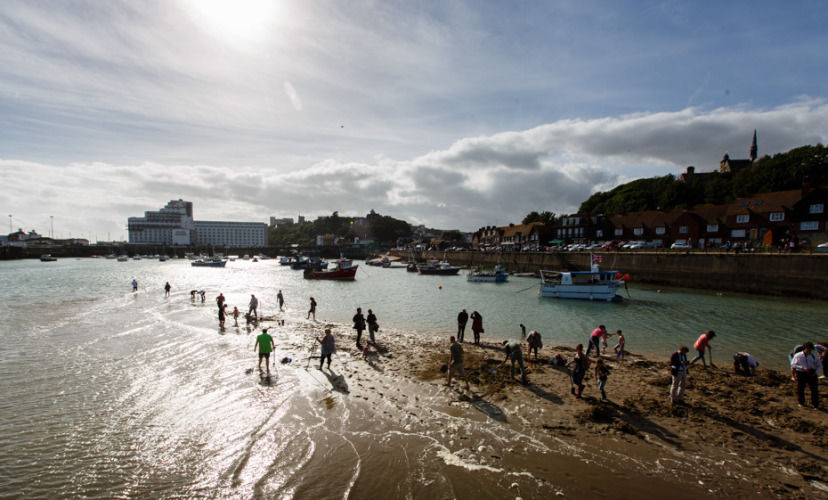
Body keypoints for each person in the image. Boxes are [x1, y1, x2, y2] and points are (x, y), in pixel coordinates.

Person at [790, 342, 822, 408]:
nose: (809, 351)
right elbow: (793, 364)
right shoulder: (798, 355)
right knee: (800, 389)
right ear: (805, 348)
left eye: (811, 349)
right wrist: (802, 368)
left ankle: (815, 404)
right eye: (808, 349)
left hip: (812, 374)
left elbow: (820, 366)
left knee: (814, 390)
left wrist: (815, 372)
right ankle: (801, 402)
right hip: (801, 373)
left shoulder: (814, 356)